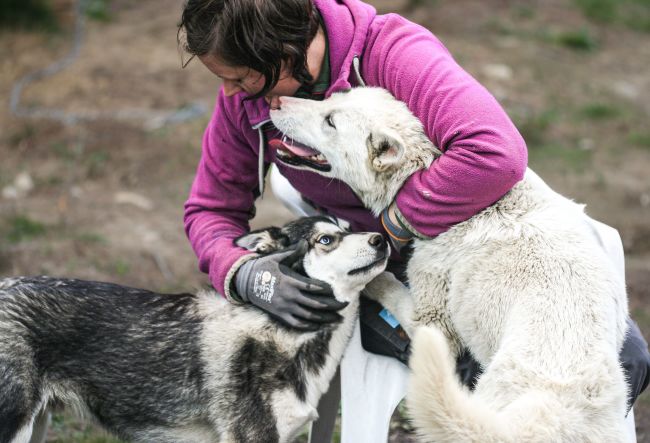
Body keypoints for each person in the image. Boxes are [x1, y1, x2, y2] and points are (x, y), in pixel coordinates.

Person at [178, 0, 649, 411]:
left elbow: (496, 152)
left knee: (622, 364)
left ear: (286, 52)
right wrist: (243, 273)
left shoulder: (394, 53)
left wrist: (401, 219)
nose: (230, 94)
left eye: (240, 78)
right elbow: (209, 210)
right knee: (470, 376)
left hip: (479, 251)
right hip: (381, 262)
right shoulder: (248, 105)